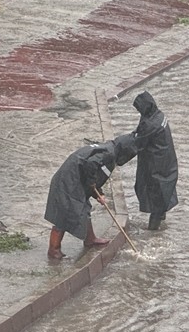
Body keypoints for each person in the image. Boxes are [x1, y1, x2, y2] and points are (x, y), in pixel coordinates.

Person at [45, 133, 137, 260]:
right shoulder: (109, 154)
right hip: (68, 182)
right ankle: (53, 250)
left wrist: (98, 193)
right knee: (64, 215)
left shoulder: (108, 149)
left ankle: (90, 239)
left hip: (73, 179)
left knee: (84, 207)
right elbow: (91, 165)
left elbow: (92, 171)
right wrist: (93, 184)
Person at [131, 91, 179, 230]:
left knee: (156, 200)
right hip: (167, 164)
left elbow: (137, 142)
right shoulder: (159, 115)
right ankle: (160, 223)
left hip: (155, 168)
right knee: (163, 195)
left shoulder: (151, 124)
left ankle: (153, 232)